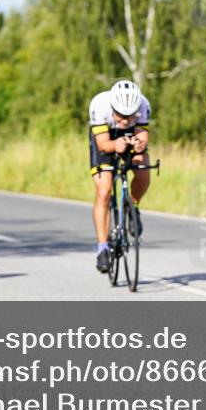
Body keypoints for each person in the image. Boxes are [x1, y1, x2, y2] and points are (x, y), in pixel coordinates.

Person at [88, 80, 151, 273]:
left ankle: (132, 205)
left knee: (143, 169)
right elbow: (102, 144)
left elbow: (142, 136)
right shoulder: (99, 105)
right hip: (106, 137)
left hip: (130, 137)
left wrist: (139, 144)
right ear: (113, 108)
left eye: (129, 116)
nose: (124, 120)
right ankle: (103, 248)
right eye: (121, 115)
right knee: (104, 190)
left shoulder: (143, 104)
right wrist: (115, 145)